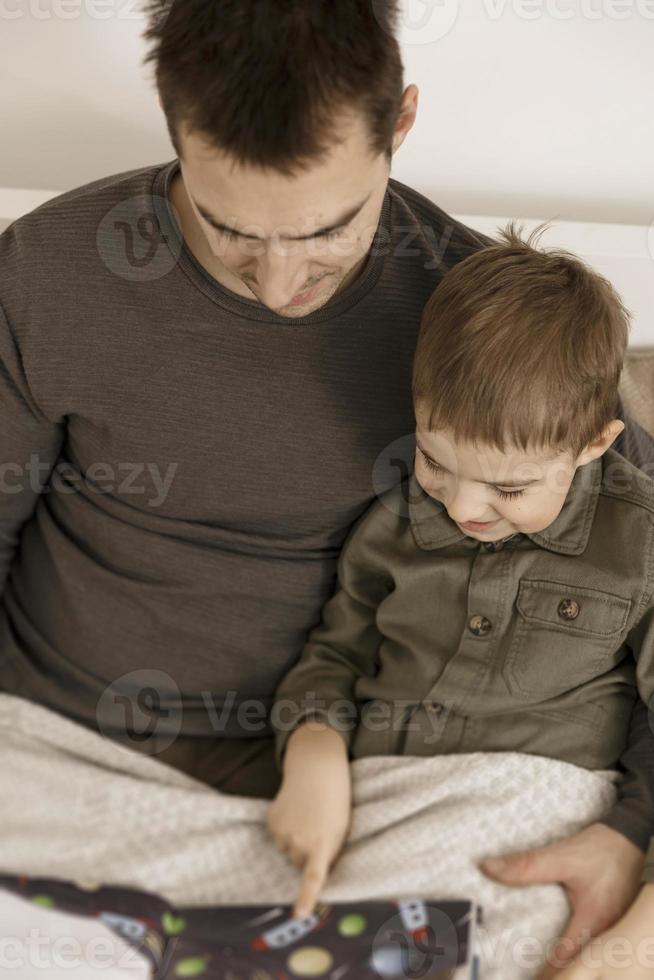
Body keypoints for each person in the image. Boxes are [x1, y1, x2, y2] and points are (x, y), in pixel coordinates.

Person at [0, 0, 651, 970]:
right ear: (173, 125)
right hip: (60, 752)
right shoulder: (50, 270)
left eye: (327, 230)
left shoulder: (489, 323)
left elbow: (628, 560)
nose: (277, 281)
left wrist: (633, 840)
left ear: (402, 123)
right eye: (230, 231)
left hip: (395, 796)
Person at [267, 225, 654, 974]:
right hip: (381, 794)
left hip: (538, 808)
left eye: (509, 487)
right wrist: (312, 743)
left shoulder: (637, 540)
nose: (465, 507)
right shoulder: (394, 523)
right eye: (437, 461)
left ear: (596, 444)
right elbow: (335, 655)